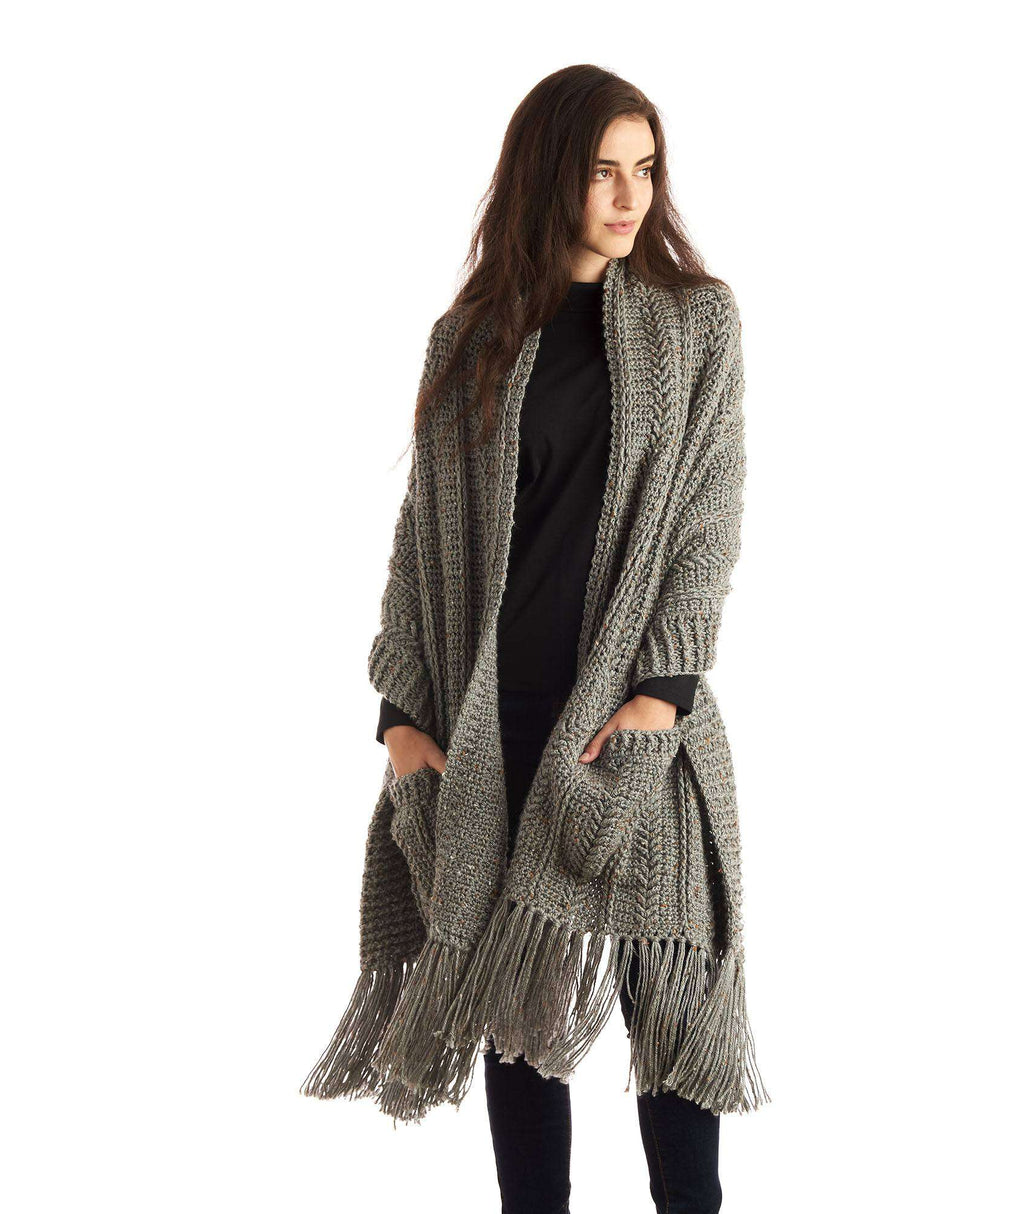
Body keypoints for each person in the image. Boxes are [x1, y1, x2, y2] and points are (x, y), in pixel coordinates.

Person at [303, 63, 768, 1214]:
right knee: (519, 1022)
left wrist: (660, 691)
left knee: (670, 1017)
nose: (628, 196)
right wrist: (403, 718)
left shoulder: (694, 324)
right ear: (548, 176)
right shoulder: (468, 340)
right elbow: (420, 541)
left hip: (632, 724)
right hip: (496, 725)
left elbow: (706, 519)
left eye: (643, 170)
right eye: (603, 170)